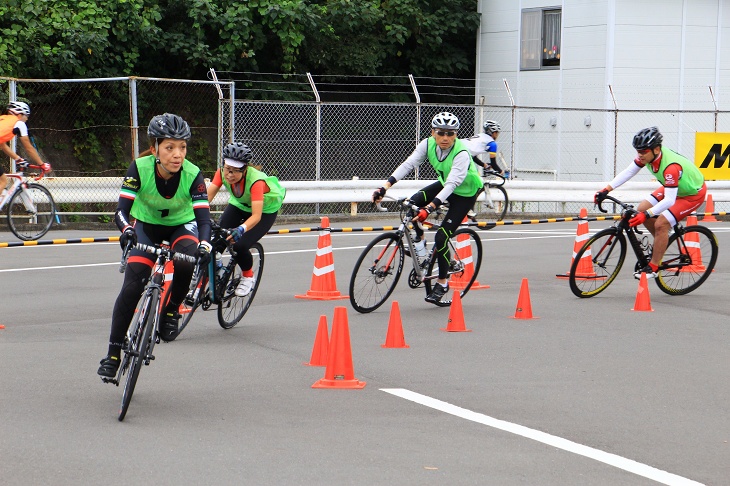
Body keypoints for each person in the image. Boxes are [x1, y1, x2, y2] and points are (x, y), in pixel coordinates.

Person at [98, 113, 212, 379]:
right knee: (132, 287)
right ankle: (113, 352)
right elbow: (121, 212)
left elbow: (204, 219)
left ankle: (171, 309)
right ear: (154, 149)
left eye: (182, 147)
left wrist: (205, 245)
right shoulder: (139, 168)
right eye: (170, 147)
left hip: (180, 226)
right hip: (145, 227)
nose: (177, 154)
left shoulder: (193, 175)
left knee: (187, 259)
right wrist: (126, 230)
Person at [372, 112, 482, 305]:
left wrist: (430, 208)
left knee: (442, 236)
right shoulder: (427, 144)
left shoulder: (462, 153)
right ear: (433, 132)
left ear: (456, 135)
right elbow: (409, 164)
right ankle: (422, 252)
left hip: (464, 193)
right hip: (444, 183)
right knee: (412, 206)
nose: (445, 138)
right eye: (441, 133)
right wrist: (385, 187)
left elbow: (452, 185)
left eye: (451, 133)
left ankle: (443, 282)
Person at [594, 126, 706, 279]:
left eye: (643, 151)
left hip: (691, 194)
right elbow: (629, 171)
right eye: (638, 151)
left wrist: (647, 215)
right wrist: (606, 190)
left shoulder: (670, 167)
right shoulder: (648, 156)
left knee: (660, 223)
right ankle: (663, 239)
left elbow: (669, 200)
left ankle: (654, 266)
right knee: (642, 208)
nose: (640, 155)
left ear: (657, 149)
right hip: (674, 187)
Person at [206, 142, 286, 296]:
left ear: (245, 170)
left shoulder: (256, 182)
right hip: (239, 205)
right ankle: (213, 273)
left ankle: (248, 276)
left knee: (240, 245)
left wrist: (241, 229)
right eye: (228, 169)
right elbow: (206, 199)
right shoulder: (221, 172)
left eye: (235, 171)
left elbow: (256, 216)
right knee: (216, 242)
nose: (229, 175)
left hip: (264, 211)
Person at [0, 101, 51, 201]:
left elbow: (3, 146)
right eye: (26, 116)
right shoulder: (18, 123)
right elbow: (28, 147)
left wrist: (18, 159)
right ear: (19, 115)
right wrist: (42, 164)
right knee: (3, 181)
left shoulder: (3, 120)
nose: (27, 119)